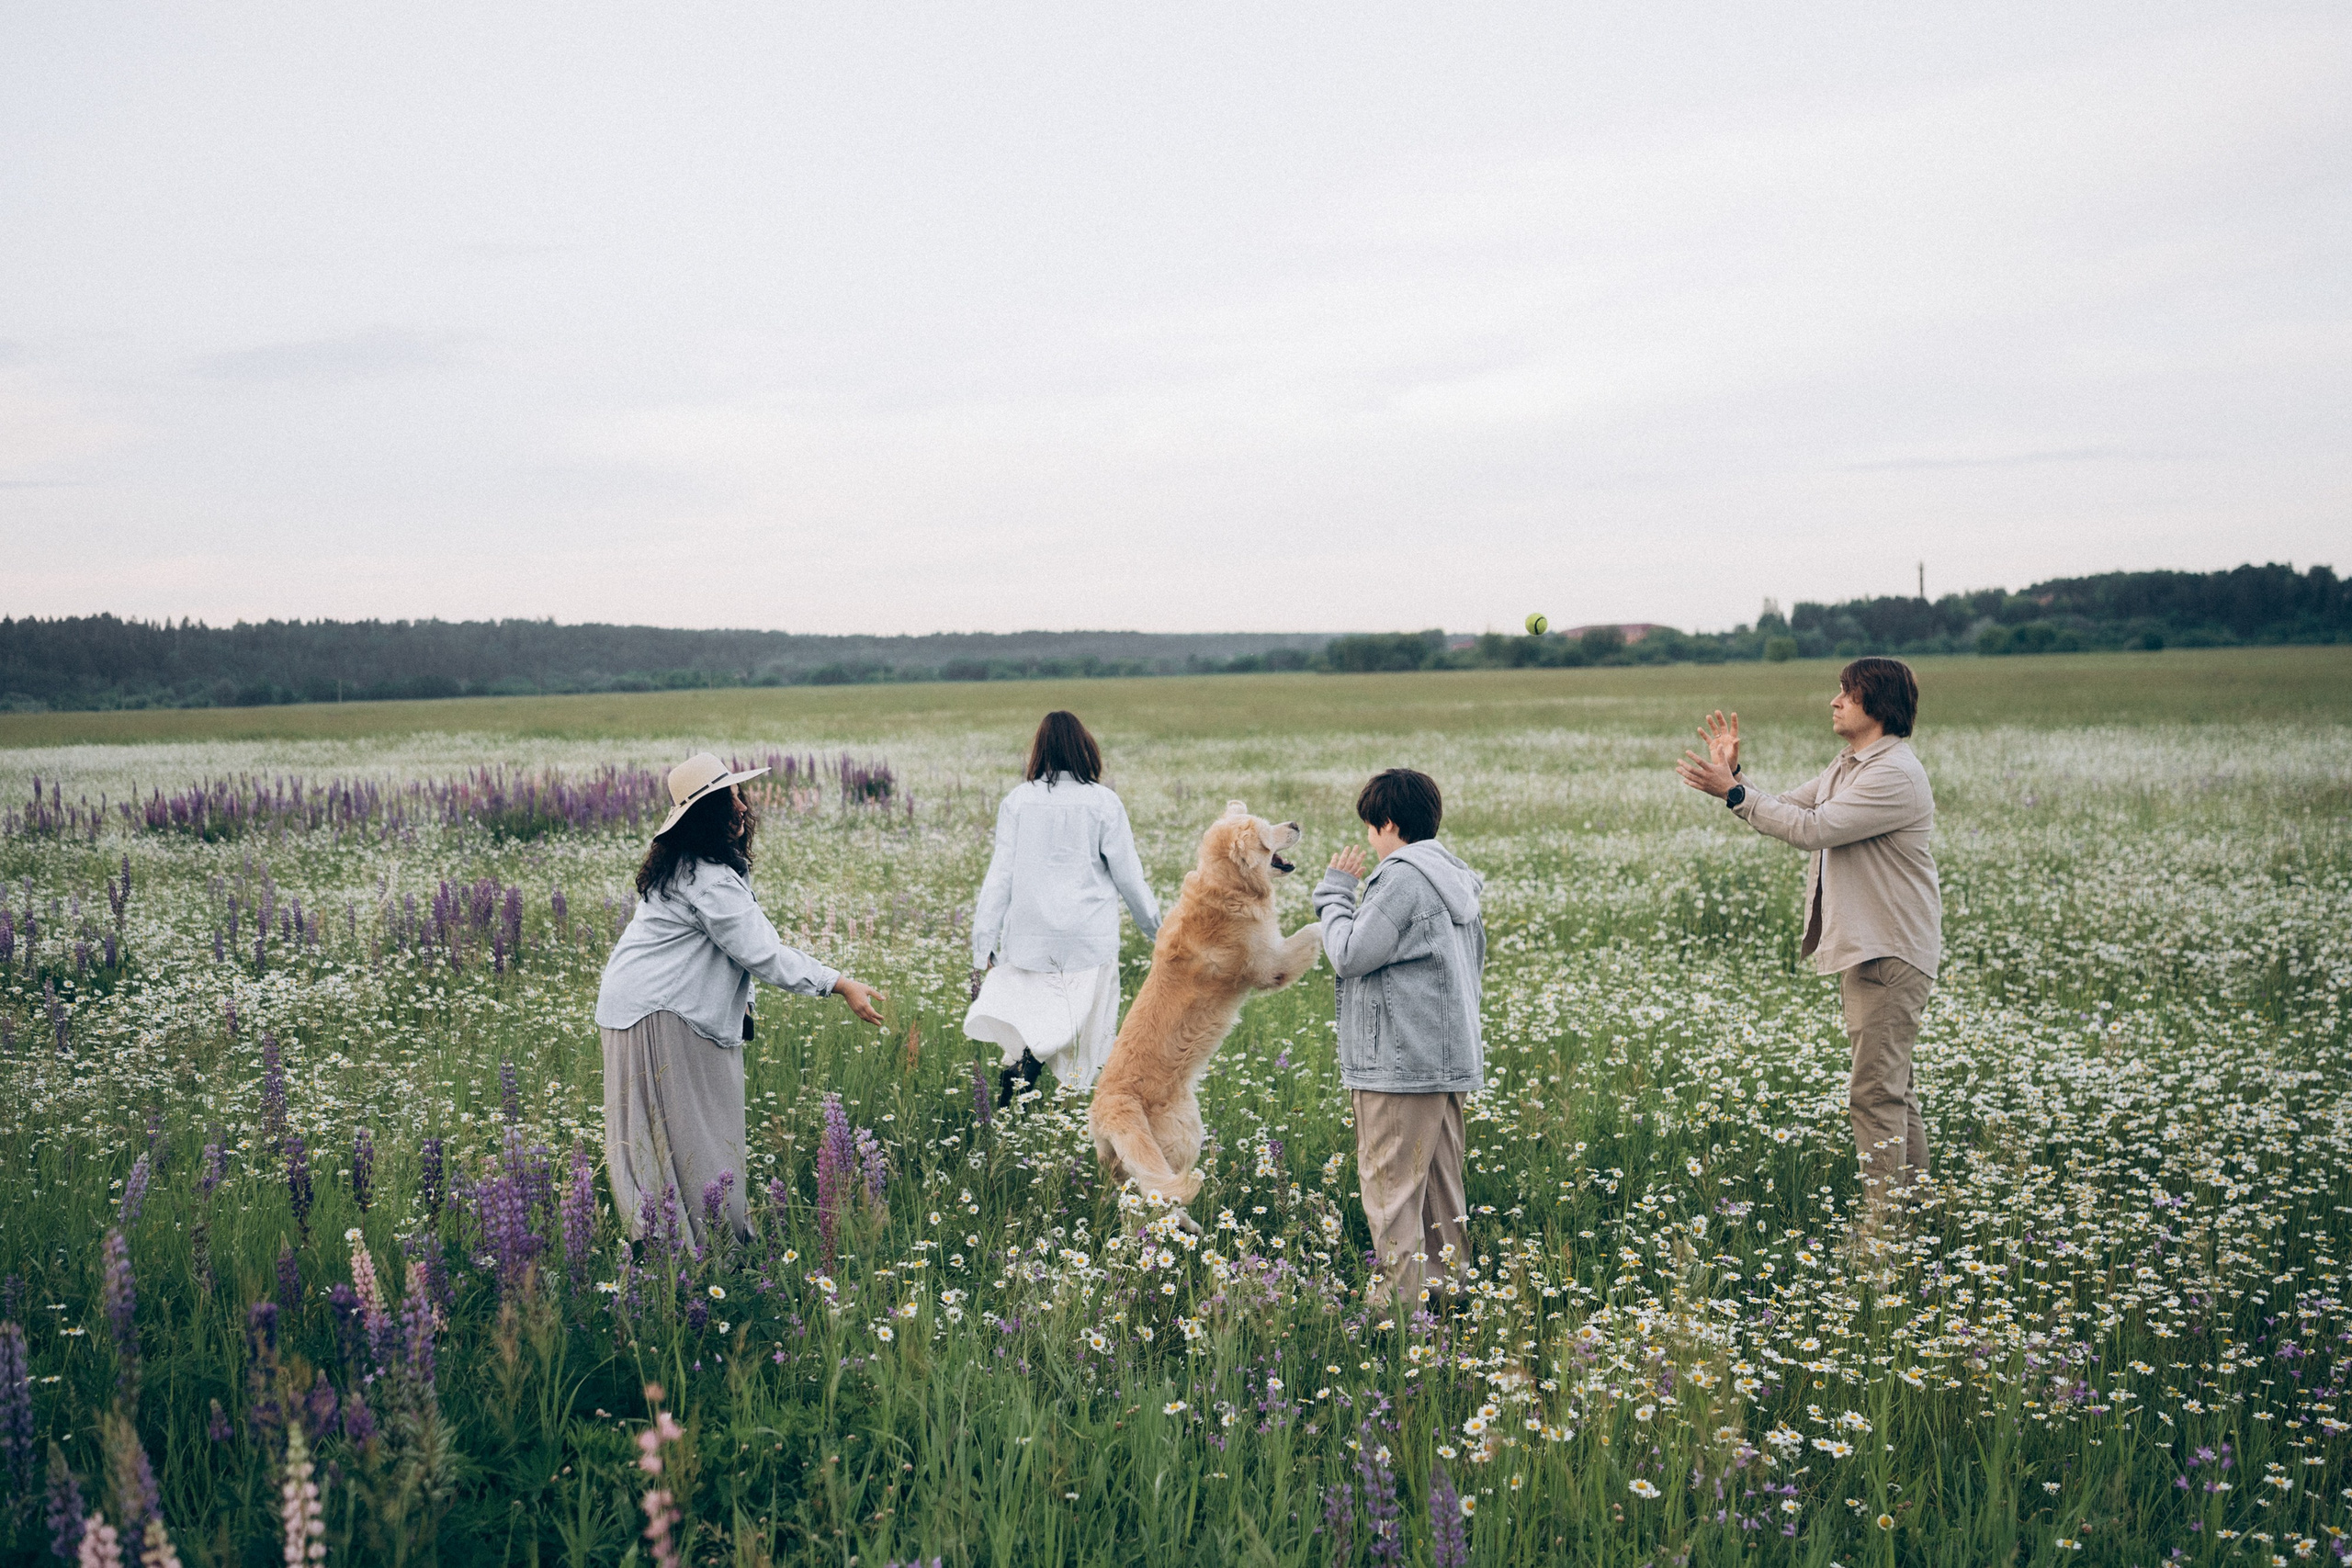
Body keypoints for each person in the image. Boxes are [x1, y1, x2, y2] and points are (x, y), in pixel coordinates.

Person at [1676, 658, 1941, 1215]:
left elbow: (1812, 829)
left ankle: (1886, 1231)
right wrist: (1735, 777)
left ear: (1877, 703)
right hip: (1873, 947)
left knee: (1875, 1096)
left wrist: (1734, 793)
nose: (1834, 701)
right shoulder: (1851, 765)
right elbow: (1790, 807)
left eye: (1847, 692)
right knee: (1892, 1092)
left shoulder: (1892, 773)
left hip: (1889, 951)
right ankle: (1914, 1220)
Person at [597, 751, 885, 1250]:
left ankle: (668, 1247)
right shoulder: (707, 880)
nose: (743, 806)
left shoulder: (686, 868)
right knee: (700, 1135)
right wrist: (839, 983)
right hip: (665, 1013)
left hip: (637, 1007)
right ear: (709, 814)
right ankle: (707, 1250)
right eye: (730, 797)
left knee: (661, 1140)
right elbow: (763, 953)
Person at [1313, 768, 1487, 1314]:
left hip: (1398, 1063)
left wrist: (1335, 894)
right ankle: (1448, 1300)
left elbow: (1350, 955)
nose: (1369, 839)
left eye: (1370, 827)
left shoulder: (1402, 879)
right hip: (1446, 1061)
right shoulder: (1453, 878)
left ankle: (1397, 1311)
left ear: (1388, 823)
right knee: (1439, 1190)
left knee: (1391, 1189)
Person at [965, 711, 1160, 1101]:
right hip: (1088, 939)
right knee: (1078, 1023)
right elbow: (1128, 877)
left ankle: (1021, 1078)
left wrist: (983, 941)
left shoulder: (1018, 801)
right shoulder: (1104, 803)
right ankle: (1047, 1088)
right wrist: (1159, 930)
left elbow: (1000, 875)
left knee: (1036, 1018)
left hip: (1029, 939)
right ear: (1085, 748)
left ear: (1040, 751)